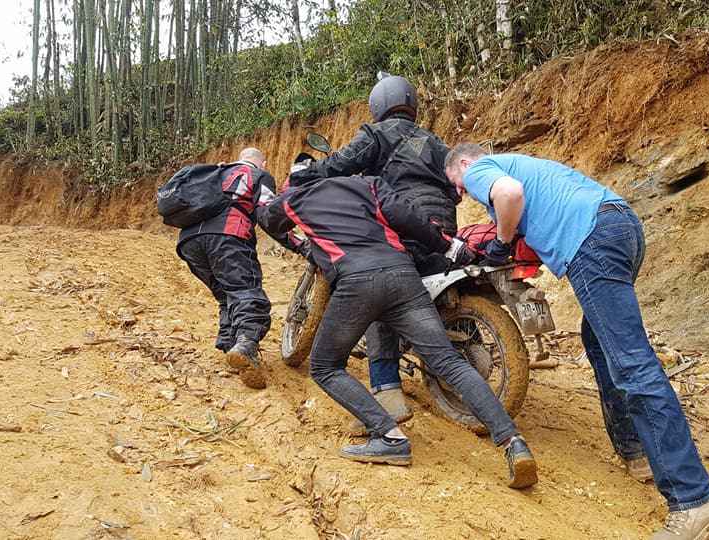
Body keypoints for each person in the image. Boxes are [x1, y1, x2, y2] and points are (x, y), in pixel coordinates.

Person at [444, 144, 709, 539]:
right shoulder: (534, 166)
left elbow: (508, 194)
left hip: (592, 242)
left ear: (463, 164)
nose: (461, 192)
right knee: (599, 345)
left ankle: (694, 499)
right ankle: (637, 450)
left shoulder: (481, 169)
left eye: (456, 184)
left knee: (632, 364)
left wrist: (502, 242)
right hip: (622, 226)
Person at [253, 174, 538, 488]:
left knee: (325, 366)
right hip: (402, 275)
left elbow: (268, 219)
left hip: (356, 282)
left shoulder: (294, 199)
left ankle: (389, 436)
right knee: (449, 362)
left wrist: (302, 247)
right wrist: (450, 246)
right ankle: (514, 443)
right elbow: (408, 218)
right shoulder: (368, 184)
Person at [289, 74, 457, 435]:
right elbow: (454, 189)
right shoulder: (434, 141)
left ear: (378, 104)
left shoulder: (377, 135)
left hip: (401, 224)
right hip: (443, 226)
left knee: (381, 294)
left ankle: (387, 392)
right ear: (411, 104)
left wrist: (308, 173)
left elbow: (340, 165)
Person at [177, 148, 276, 390]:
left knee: (225, 294)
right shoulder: (257, 174)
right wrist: (300, 245)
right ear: (262, 162)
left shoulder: (214, 173)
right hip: (228, 236)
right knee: (245, 291)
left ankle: (228, 343)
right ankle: (245, 345)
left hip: (189, 242)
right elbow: (270, 213)